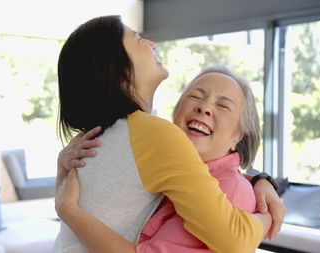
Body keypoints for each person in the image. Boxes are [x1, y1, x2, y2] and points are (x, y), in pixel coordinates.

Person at [53, 15, 275, 253]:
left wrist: (258, 180)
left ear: (238, 135)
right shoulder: (154, 135)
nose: (151, 44)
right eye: (137, 39)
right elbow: (236, 240)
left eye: (222, 105)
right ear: (118, 68)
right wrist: (268, 216)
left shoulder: (96, 135)